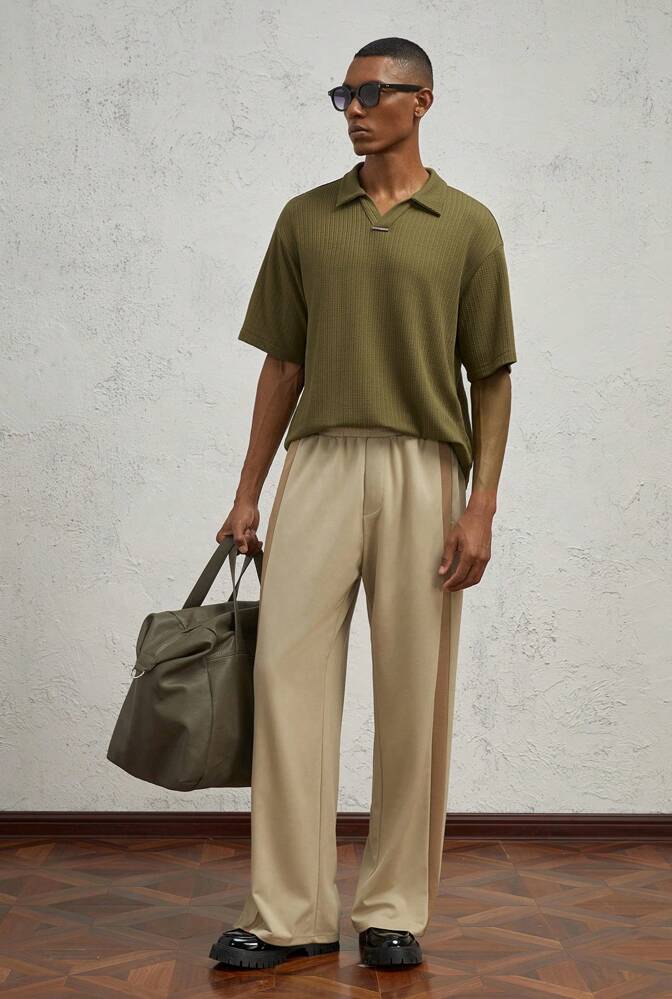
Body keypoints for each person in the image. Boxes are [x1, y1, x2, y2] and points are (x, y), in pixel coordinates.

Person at [209, 35, 517, 971]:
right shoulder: (305, 218)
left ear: (421, 101)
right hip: (319, 463)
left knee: (413, 691)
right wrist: (247, 491)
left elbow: (491, 374)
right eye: (343, 95)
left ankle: (392, 908)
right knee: (285, 683)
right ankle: (288, 911)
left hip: (426, 470)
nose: (354, 109)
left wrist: (481, 505)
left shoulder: (467, 225)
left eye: (372, 92)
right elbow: (283, 364)